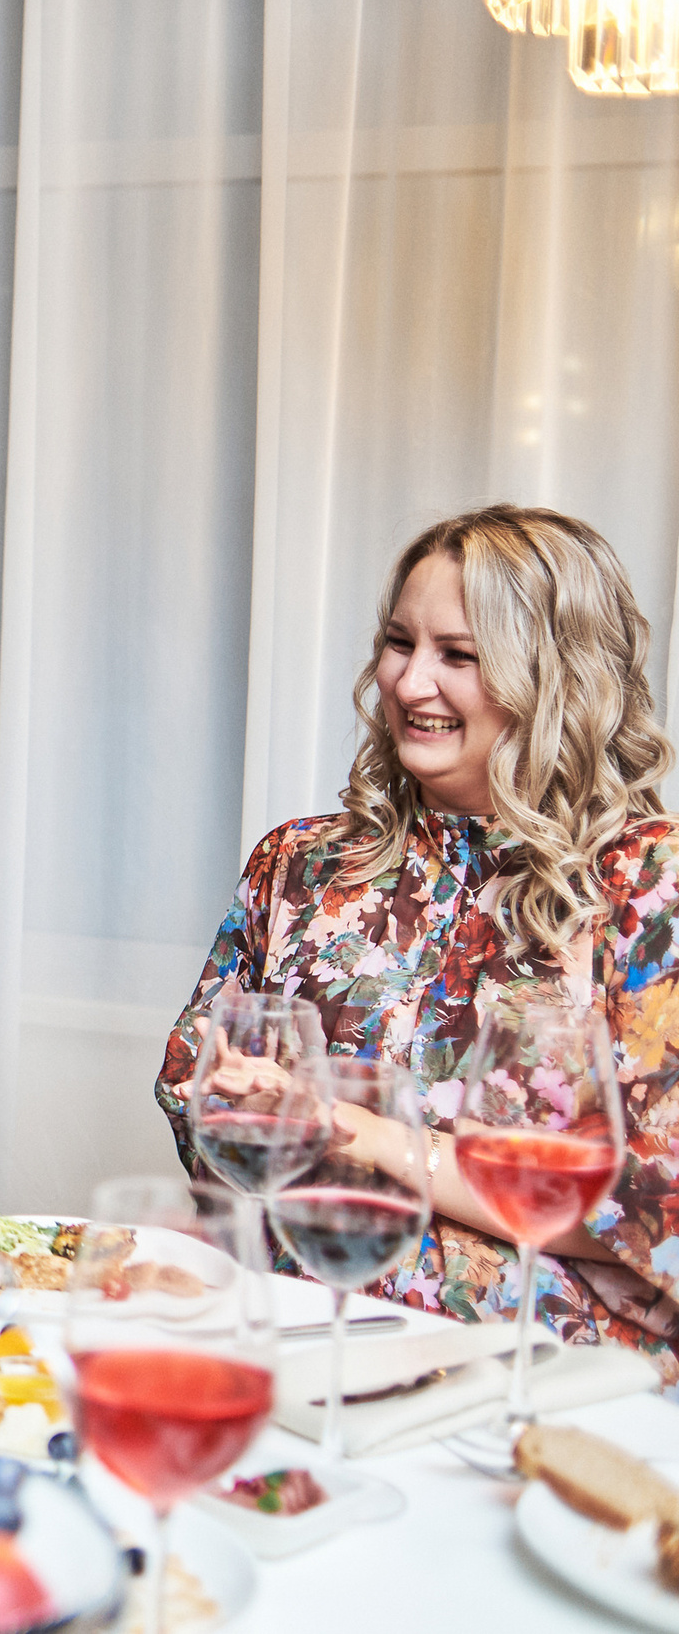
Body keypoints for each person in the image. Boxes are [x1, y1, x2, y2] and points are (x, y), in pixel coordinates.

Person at [156, 504, 679, 1380]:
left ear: (557, 678)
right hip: (301, 1347)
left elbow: (654, 1215)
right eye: (400, 642)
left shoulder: (643, 887)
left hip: (537, 1383)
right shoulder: (302, 863)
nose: (409, 683)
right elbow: (195, 1097)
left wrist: (367, 1136)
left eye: (459, 655)